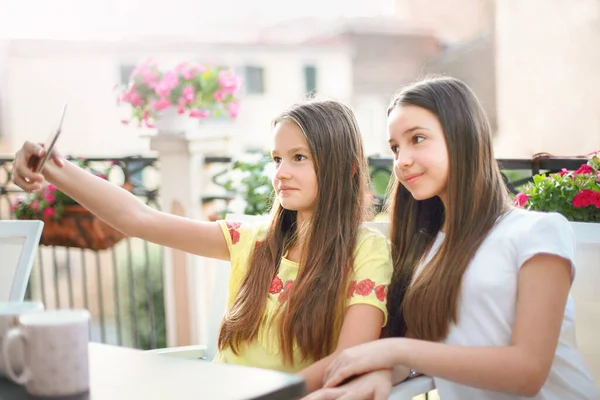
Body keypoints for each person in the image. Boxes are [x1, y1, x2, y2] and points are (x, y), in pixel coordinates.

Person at [11, 99, 393, 393]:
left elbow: (348, 360)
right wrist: (49, 166)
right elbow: (138, 219)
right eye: (277, 159)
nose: (281, 173)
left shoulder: (366, 252)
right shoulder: (255, 239)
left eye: (299, 158)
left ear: (347, 169)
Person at [304, 77, 599, 399]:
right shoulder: (426, 250)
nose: (401, 160)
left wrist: (394, 351)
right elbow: (427, 353)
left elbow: (528, 371)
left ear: (464, 138)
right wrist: (380, 374)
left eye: (417, 138)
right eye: (395, 147)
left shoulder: (537, 232)